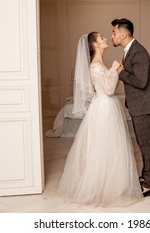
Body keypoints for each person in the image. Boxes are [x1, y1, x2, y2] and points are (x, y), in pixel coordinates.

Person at [57, 32, 143, 207]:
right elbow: (110, 90)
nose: (106, 38)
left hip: (108, 106)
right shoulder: (96, 66)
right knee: (104, 146)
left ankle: (113, 184)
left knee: (111, 146)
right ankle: (101, 187)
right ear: (95, 45)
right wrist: (114, 68)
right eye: (101, 37)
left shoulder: (100, 63)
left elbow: (109, 86)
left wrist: (112, 69)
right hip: (104, 108)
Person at [111, 18, 150, 197]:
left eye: (114, 32)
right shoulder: (130, 50)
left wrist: (121, 73)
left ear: (124, 34)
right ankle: (145, 177)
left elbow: (141, 82)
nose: (112, 36)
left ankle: (149, 185)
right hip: (138, 105)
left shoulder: (138, 52)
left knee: (146, 145)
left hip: (144, 106)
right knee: (142, 143)